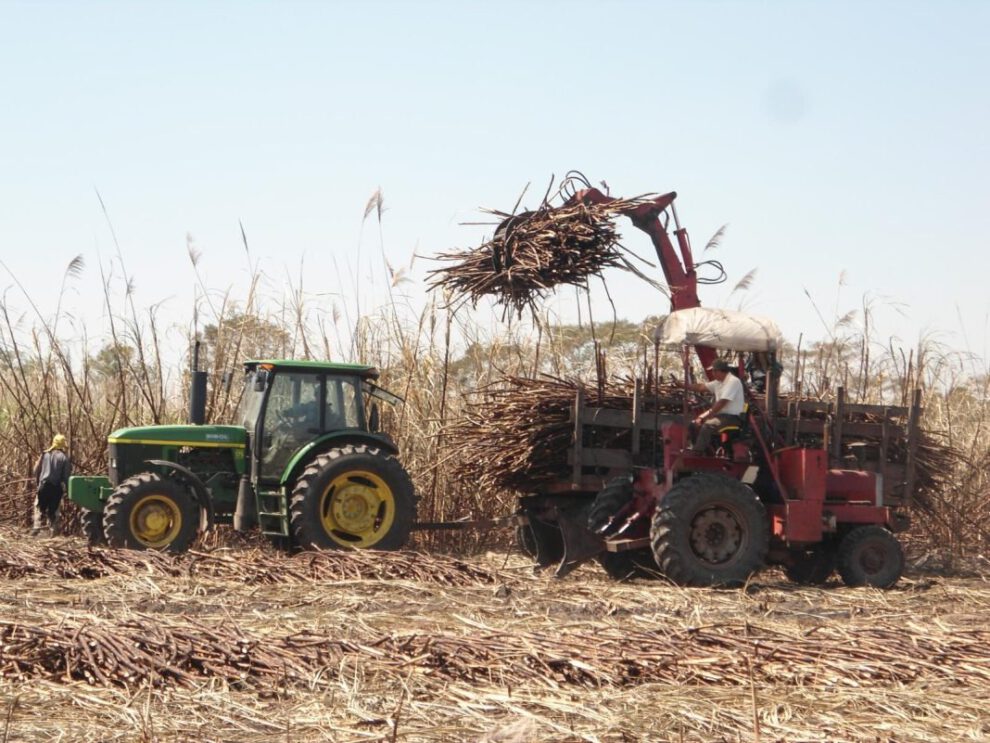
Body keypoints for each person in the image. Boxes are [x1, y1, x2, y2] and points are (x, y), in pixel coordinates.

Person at [682, 359, 746, 453]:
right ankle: (701, 449)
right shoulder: (718, 382)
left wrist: (708, 415)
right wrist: (684, 386)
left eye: (714, 371)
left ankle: (697, 452)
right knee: (693, 424)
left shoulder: (733, 381)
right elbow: (701, 387)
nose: (712, 373)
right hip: (721, 416)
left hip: (732, 417)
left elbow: (722, 402)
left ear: (719, 371)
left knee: (708, 425)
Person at [32, 433, 71, 537]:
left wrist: (38, 483)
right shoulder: (64, 458)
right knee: (53, 512)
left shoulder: (44, 454)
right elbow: (66, 477)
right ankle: (53, 534)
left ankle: (36, 530)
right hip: (55, 488)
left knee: (39, 508)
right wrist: (68, 491)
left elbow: (35, 470)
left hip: (43, 486)